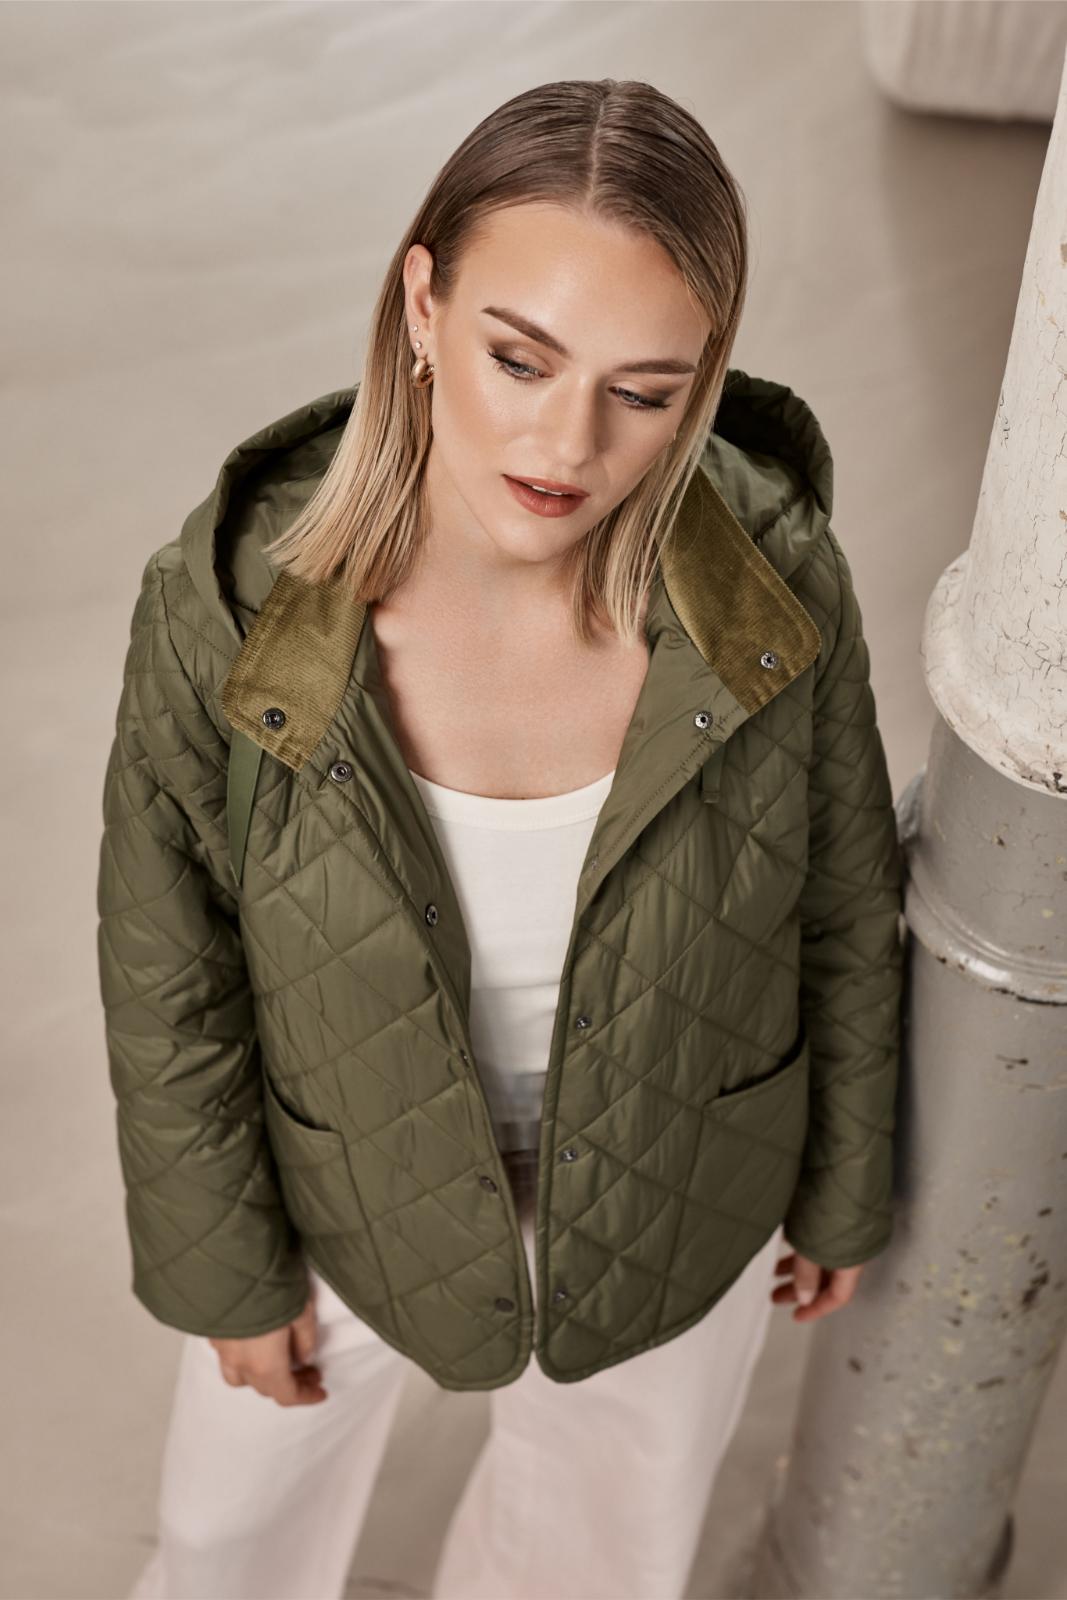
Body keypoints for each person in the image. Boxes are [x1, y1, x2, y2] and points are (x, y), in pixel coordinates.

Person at [96, 76, 904, 1600]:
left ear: (703, 382)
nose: (566, 440)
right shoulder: (227, 613)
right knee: (224, 1537)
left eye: (644, 392)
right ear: (422, 305)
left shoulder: (778, 593)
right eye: (519, 357)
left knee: (600, 1551)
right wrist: (225, 1267)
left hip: (680, 1186)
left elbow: (848, 905)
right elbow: (169, 973)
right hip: (336, 1183)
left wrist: (846, 1181)